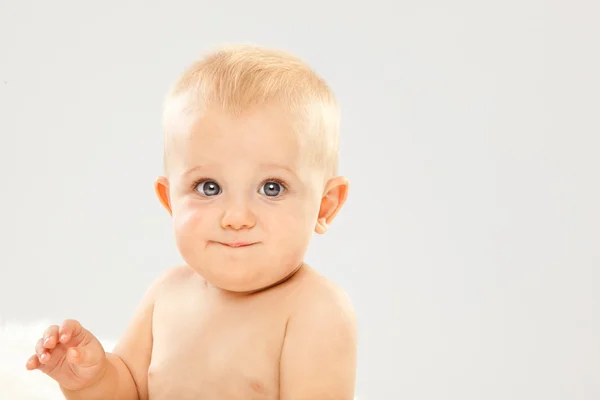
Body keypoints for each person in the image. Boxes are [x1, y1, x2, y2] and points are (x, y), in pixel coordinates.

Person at [25, 43, 357, 399]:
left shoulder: (315, 311)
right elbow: (129, 391)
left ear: (325, 206)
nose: (236, 217)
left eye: (272, 188)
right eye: (209, 187)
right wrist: (92, 379)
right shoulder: (167, 294)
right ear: (170, 200)